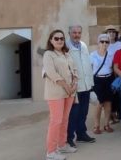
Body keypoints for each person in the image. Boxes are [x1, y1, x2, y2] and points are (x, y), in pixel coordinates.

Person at [43, 30, 78, 160]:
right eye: (56, 38)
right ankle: (51, 152)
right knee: (56, 121)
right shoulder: (48, 54)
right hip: (56, 93)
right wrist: (66, 86)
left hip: (69, 92)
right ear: (51, 40)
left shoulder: (66, 54)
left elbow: (74, 70)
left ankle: (62, 145)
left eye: (61, 38)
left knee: (64, 120)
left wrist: (74, 83)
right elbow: (51, 73)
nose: (59, 41)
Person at [66, 25, 96, 147]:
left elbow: (87, 65)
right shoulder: (66, 47)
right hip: (75, 87)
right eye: (74, 32)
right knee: (73, 113)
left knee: (84, 112)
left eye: (79, 32)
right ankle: (69, 138)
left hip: (86, 85)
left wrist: (91, 85)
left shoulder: (83, 45)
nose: (76, 35)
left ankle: (81, 134)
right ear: (69, 33)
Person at [90, 33, 115, 135]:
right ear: (98, 42)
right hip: (97, 80)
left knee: (108, 103)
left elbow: (113, 68)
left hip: (108, 79)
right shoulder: (92, 55)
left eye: (107, 42)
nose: (104, 43)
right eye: (102, 41)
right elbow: (88, 69)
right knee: (98, 104)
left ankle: (106, 124)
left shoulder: (110, 55)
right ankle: (96, 126)